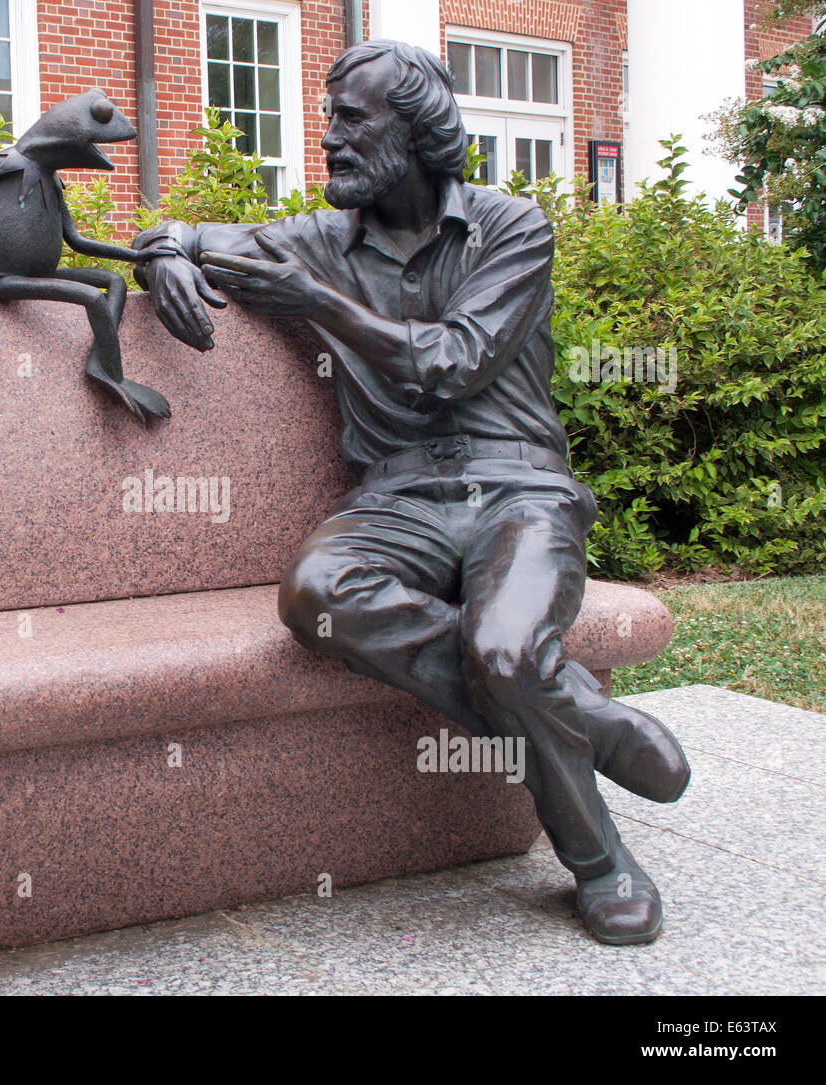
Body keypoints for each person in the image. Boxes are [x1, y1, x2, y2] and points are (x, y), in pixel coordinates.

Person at [132, 39, 691, 945]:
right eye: (327, 121)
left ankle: (600, 861)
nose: (330, 140)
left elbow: (453, 361)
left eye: (352, 120)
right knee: (315, 592)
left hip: (518, 487)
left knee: (506, 650)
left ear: (417, 129)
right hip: (396, 497)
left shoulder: (514, 227)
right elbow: (175, 233)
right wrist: (167, 256)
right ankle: (584, 712)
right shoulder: (318, 237)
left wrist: (317, 298)